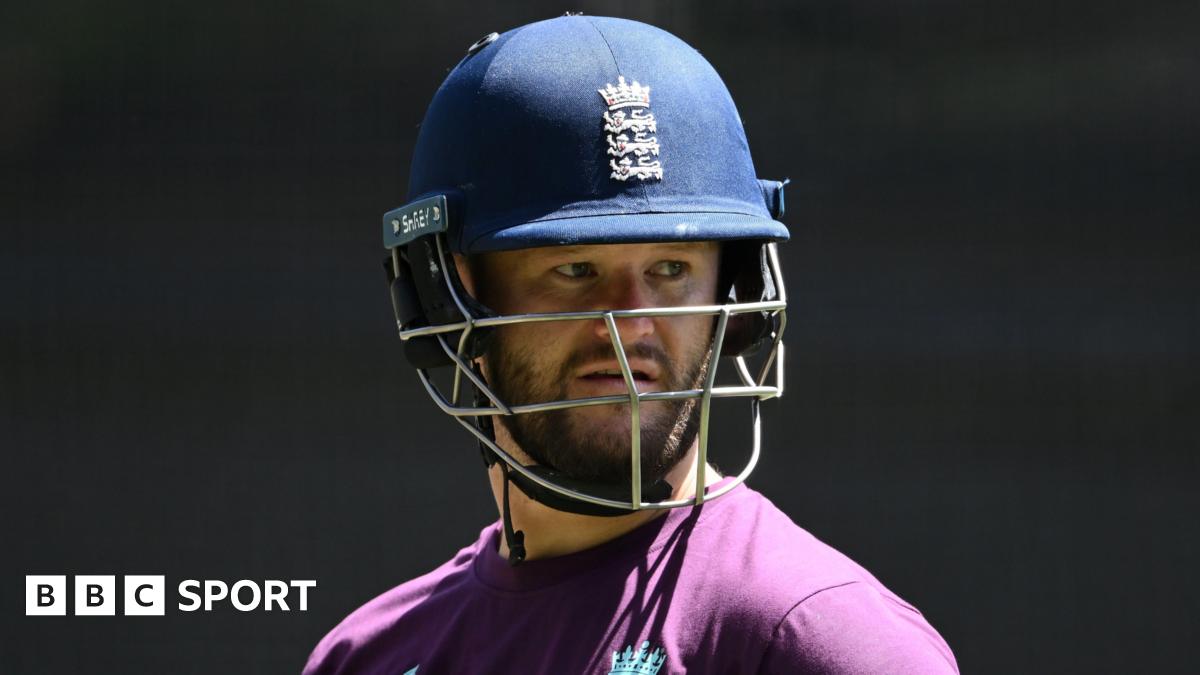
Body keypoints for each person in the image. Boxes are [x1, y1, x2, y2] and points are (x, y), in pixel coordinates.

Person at [305, 14, 959, 674]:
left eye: (670, 270)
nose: (632, 323)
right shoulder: (372, 655)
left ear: (735, 297)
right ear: (450, 293)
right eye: (574, 270)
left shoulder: (824, 642)